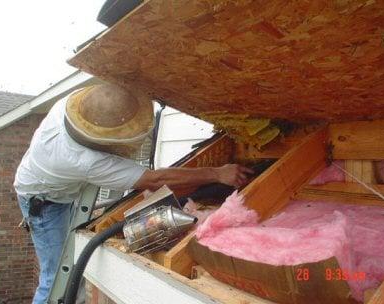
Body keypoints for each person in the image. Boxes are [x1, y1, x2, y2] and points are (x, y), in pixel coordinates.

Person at [14, 84, 253, 303]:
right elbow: (155, 178)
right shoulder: (83, 161)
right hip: (44, 204)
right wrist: (217, 174)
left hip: (58, 187)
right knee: (56, 277)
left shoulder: (71, 105)